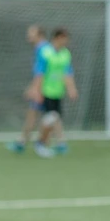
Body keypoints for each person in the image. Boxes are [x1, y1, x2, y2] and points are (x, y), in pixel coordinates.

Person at [31, 27, 76, 155]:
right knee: (50, 118)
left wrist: (71, 89)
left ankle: (44, 142)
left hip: (58, 92)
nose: (66, 41)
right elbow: (39, 73)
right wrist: (36, 91)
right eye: (64, 38)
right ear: (57, 38)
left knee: (52, 119)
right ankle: (41, 144)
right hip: (46, 91)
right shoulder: (45, 52)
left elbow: (67, 73)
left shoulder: (65, 53)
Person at [9, 25, 48, 154]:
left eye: (32, 33)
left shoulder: (43, 49)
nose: (29, 36)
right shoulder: (42, 48)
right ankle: (59, 142)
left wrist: (34, 89)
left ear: (40, 35)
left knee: (39, 116)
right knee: (49, 116)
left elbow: (42, 72)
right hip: (44, 87)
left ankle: (33, 143)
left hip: (44, 89)